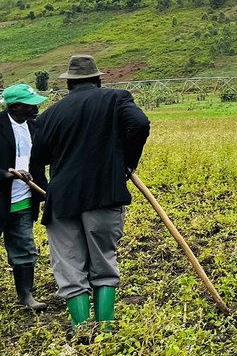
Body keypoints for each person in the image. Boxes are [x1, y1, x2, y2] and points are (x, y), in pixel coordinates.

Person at [32, 55, 151, 329]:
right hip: (103, 191)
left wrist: (48, 191)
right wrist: (126, 162)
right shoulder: (116, 98)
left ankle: (82, 331)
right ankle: (105, 331)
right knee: (103, 261)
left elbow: (39, 158)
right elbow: (140, 125)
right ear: (98, 80)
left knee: (69, 266)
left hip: (61, 198)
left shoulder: (50, 115)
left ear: (69, 85)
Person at [0, 84, 49, 311]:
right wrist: (4, 175)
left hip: (24, 200)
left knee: (24, 248)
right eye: (31, 104)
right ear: (15, 106)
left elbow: (42, 160)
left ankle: (26, 295)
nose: (36, 108)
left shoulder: (36, 127)